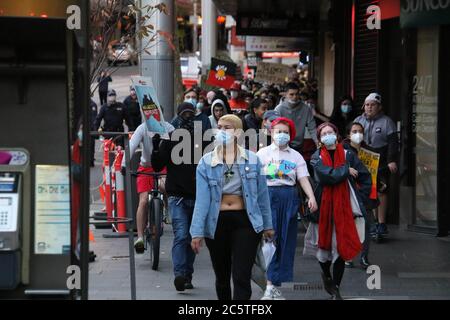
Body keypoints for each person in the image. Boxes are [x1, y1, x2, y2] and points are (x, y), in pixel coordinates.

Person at [190, 114, 274, 300]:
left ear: (237, 132)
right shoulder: (206, 162)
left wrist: (267, 225)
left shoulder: (253, 160)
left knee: (241, 276)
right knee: (222, 277)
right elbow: (201, 201)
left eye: (226, 127)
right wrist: (196, 232)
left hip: (246, 221)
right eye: (219, 127)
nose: (221, 131)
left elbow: (262, 196)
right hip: (217, 223)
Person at [304, 122, 371, 300]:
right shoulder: (316, 156)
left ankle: (336, 289)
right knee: (323, 251)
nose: (328, 135)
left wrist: (359, 198)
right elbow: (326, 176)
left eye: (330, 132)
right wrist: (345, 170)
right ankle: (326, 275)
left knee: (341, 249)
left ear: (336, 134)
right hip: (323, 210)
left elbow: (365, 177)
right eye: (323, 133)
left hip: (346, 210)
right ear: (319, 139)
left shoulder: (349, 154)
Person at [257, 117, 318, 300]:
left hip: (289, 197)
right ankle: (268, 284)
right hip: (268, 197)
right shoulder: (262, 154)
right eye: (278, 131)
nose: (282, 135)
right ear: (271, 132)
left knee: (286, 242)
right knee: (270, 240)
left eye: (286, 132)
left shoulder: (296, 156)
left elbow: (303, 178)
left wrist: (311, 197)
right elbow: (254, 180)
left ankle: (275, 285)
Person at [151, 102, 206, 292]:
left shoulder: (202, 139)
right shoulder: (171, 138)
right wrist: (157, 146)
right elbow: (158, 165)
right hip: (177, 197)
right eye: (185, 114)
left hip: (198, 196)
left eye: (192, 114)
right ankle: (179, 274)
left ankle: (187, 275)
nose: (189, 118)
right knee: (181, 235)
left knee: (192, 237)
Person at [122, 119, 174, 254]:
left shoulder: (168, 127)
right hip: (145, 168)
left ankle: (167, 210)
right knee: (143, 201)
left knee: (165, 186)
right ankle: (139, 237)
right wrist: (123, 163)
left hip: (162, 167)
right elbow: (132, 145)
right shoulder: (142, 128)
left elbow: (177, 145)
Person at [354, 93, 399, 236]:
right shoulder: (358, 120)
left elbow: (393, 143)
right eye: (367, 104)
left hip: (381, 159)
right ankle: (372, 222)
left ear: (379, 107)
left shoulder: (387, 122)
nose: (369, 107)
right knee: (369, 190)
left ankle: (382, 223)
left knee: (381, 190)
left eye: (373, 105)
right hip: (363, 158)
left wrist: (391, 160)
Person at [342, 122, 380, 269]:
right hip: (350, 192)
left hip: (367, 192)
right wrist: (347, 168)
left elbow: (375, 170)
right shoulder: (343, 150)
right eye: (354, 131)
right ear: (348, 135)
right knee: (349, 224)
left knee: (367, 225)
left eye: (360, 131)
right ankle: (348, 256)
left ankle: (364, 257)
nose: (358, 134)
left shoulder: (368, 151)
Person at [275, 82, 318, 155]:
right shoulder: (279, 109)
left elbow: (312, 128)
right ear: (285, 95)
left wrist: (318, 142)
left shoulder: (306, 108)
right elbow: (274, 129)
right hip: (283, 146)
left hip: (299, 146)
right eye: (291, 94)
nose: (295, 97)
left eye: (297, 94)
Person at [89, 99, 98, 167]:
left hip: (90, 129)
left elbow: (95, 119)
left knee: (91, 145)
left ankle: (91, 160)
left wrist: (95, 130)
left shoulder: (93, 104)